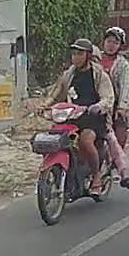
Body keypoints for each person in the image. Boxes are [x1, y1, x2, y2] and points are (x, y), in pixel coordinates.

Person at [47, 39, 115, 195]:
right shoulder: (68, 74)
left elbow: (108, 97)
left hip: (93, 118)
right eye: (73, 54)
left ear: (88, 55)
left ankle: (96, 176)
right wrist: (45, 105)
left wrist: (98, 106)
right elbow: (56, 94)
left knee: (85, 141)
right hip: (71, 116)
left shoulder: (99, 74)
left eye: (80, 54)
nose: (75, 57)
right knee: (55, 139)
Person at [100, 27, 129, 190]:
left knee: (117, 139)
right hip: (93, 104)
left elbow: (126, 87)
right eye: (108, 41)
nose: (111, 45)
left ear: (120, 46)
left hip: (114, 107)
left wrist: (122, 108)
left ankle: (122, 173)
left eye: (115, 43)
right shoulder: (94, 60)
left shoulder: (123, 66)